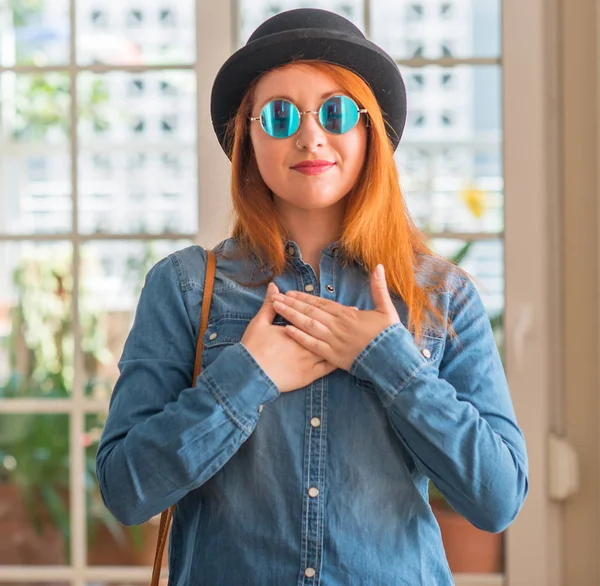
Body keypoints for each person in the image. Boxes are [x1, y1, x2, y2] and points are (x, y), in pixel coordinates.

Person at [96, 8, 529, 585]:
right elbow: (126, 491)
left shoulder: (441, 296)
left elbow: (498, 499)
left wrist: (389, 360)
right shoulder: (183, 287)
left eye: (335, 111)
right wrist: (245, 377)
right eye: (279, 115)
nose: (310, 136)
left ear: (368, 130)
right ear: (247, 136)